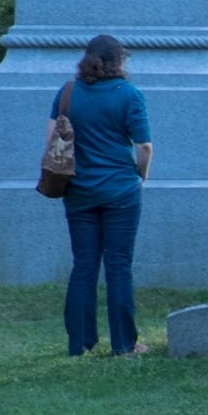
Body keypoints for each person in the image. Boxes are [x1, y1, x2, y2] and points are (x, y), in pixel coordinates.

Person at [50, 34, 152, 357]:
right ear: (119, 61)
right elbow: (144, 146)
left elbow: (52, 138)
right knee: (119, 265)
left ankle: (79, 343)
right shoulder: (129, 94)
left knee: (84, 265)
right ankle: (124, 344)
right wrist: (141, 175)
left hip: (79, 190)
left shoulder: (68, 93)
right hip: (121, 190)